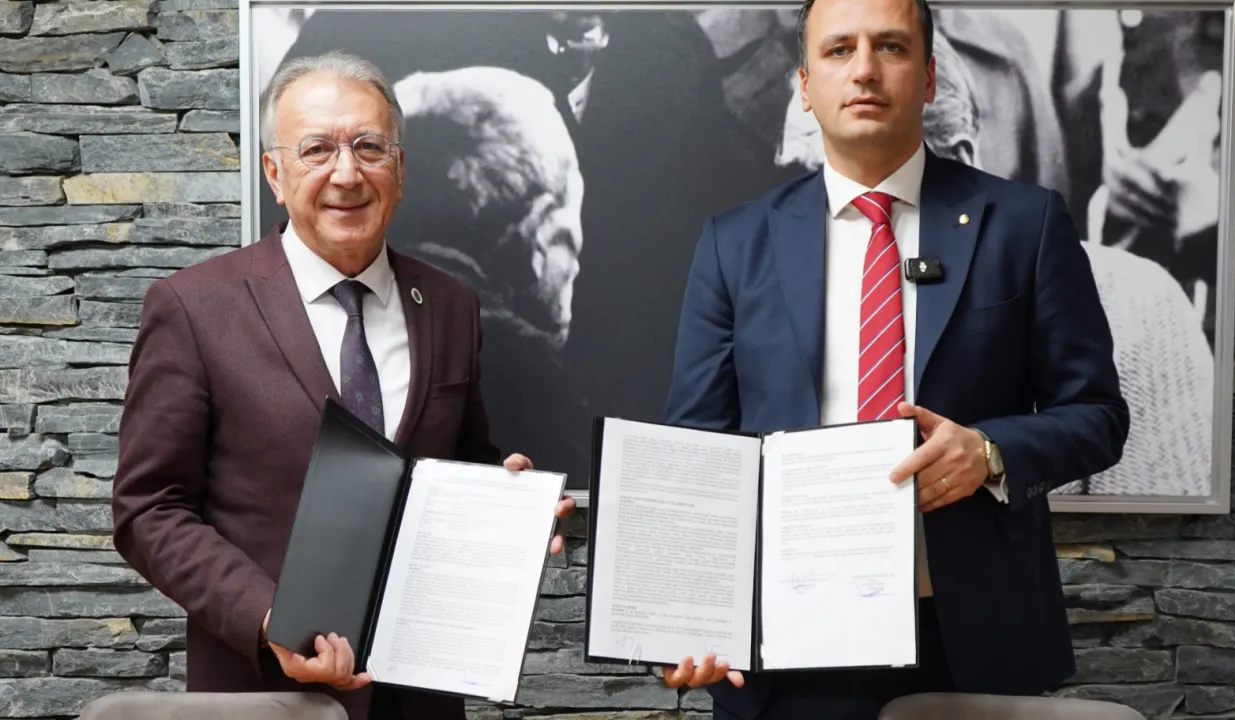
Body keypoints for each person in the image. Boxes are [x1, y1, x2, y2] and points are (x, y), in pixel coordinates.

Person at [657, 0, 1130, 716]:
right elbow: (699, 449)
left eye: (891, 47)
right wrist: (687, 615)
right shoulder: (734, 243)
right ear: (804, 84)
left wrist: (989, 452)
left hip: (969, 639)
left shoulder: (1025, 224)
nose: (865, 71)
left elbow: (1097, 415)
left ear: (930, 76)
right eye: (838, 50)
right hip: (783, 644)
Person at [111, 51, 575, 720]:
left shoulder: (451, 304)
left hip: (421, 701)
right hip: (266, 697)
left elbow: (458, 462)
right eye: (316, 149)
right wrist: (268, 619)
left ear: (400, 169)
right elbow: (149, 509)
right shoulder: (194, 307)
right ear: (274, 174)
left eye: (368, 147)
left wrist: (507, 502)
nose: (347, 173)